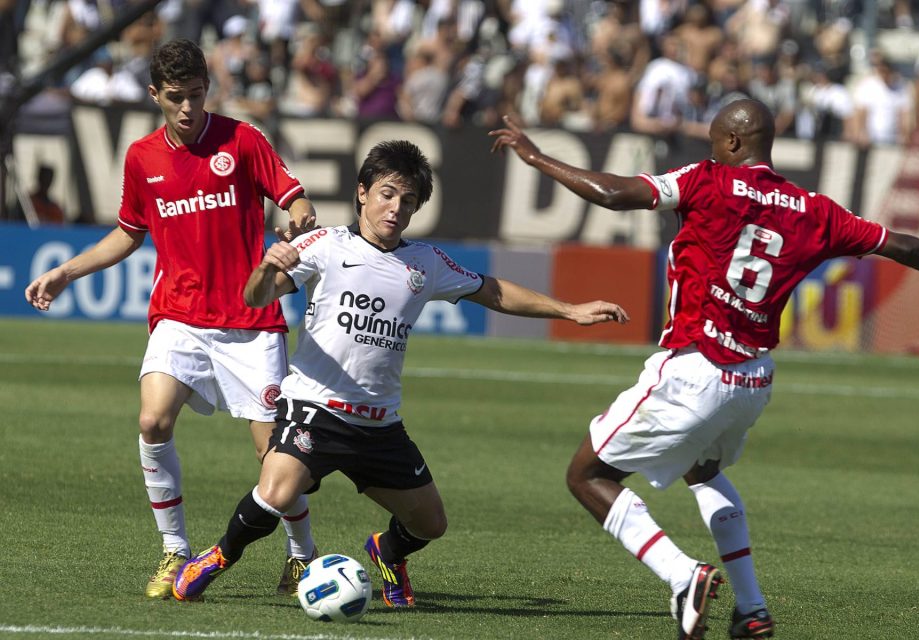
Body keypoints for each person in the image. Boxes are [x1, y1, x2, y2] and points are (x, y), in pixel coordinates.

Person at [488, 99, 919, 640]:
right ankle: (752, 609)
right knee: (704, 471)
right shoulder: (816, 209)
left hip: (695, 365)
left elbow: (615, 193)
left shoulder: (706, 180)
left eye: (716, 139)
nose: (711, 148)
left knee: (587, 476)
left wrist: (538, 158)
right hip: (751, 380)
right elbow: (900, 245)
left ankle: (682, 575)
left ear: (735, 143)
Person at [170, 139, 630, 606]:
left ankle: (387, 553)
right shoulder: (325, 245)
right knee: (277, 491)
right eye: (388, 194)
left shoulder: (425, 263)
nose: (396, 208)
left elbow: (490, 291)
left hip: (379, 425)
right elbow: (255, 298)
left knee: (431, 524)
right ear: (363, 192)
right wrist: (268, 267)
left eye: (408, 201)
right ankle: (218, 557)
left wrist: (569, 310)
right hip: (315, 409)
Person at [24, 38, 322, 600]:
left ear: (208, 88)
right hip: (179, 316)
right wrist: (67, 272)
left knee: (273, 456)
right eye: (176, 97)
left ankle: (302, 557)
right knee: (152, 422)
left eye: (197, 94)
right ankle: (176, 552)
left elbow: (294, 197)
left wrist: (299, 219)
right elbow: (129, 232)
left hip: (248, 319)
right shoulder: (143, 158)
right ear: (155, 95)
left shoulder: (243, 139)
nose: (188, 108)